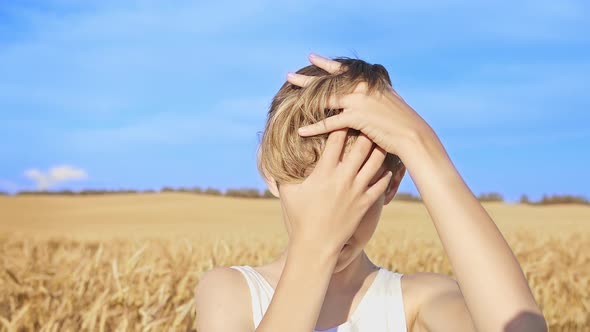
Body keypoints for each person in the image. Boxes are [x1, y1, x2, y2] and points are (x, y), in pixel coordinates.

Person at [194, 53, 547, 332]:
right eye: (308, 178)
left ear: (392, 184)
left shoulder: (416, 301)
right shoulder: (230, 291)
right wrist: (317, 245)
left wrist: (420, 144)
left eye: (360, 182)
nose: (337, 209)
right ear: (271, 173)